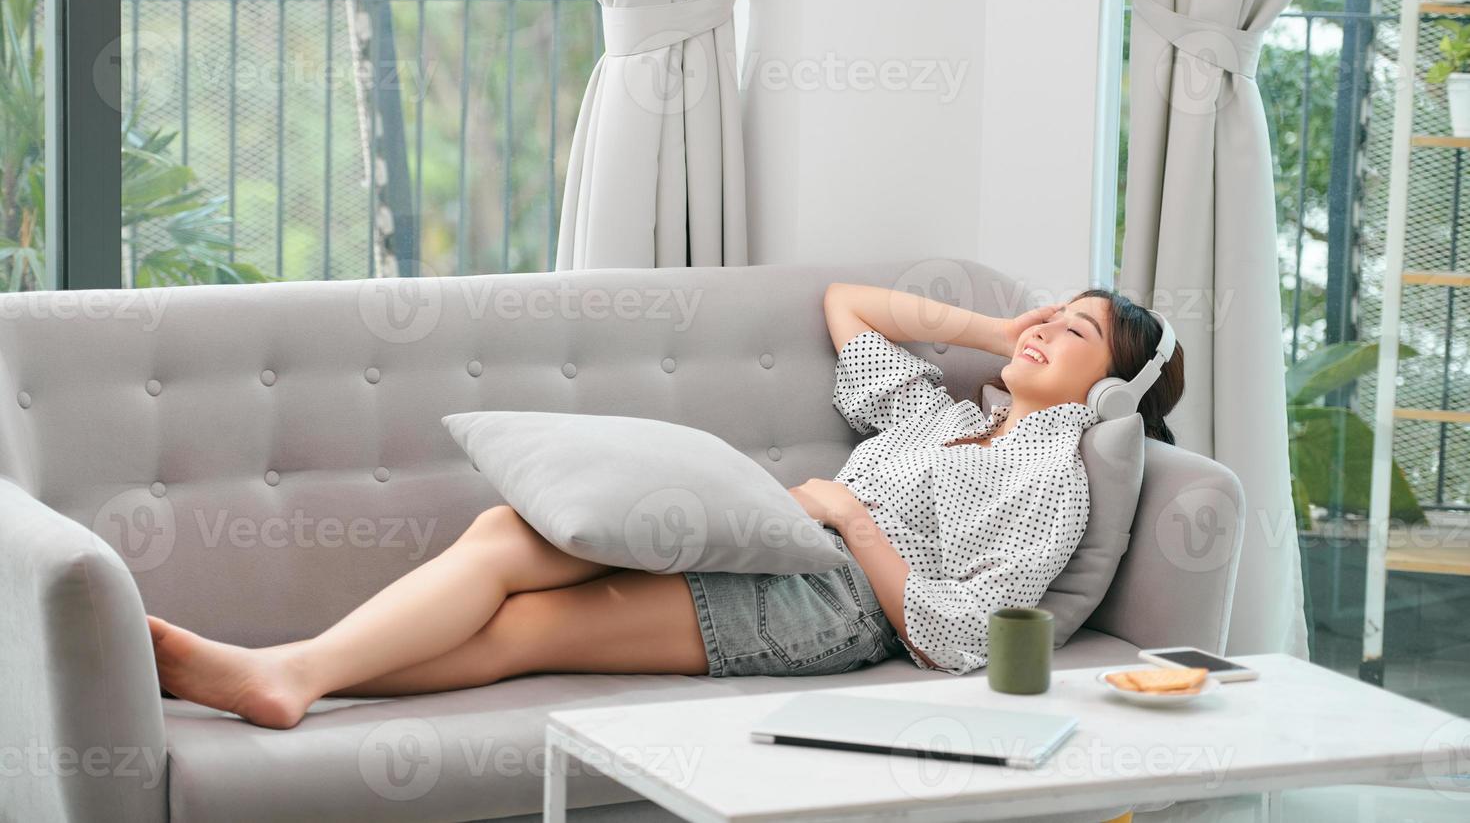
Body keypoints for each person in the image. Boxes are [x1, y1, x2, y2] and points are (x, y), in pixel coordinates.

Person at [146, 281, 1184, 729]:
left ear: (1111, 390)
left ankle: (288, 676)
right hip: (776, 534)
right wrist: (997, 324)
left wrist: (853, 520)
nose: (1047, 329)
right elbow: (847, 306)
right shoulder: (940, 411)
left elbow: (963, 636)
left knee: (535, 623)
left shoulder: (1053, 472)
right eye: (1052, 312)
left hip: (835, 604)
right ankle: (290, 670)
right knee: (509, 528)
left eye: (1076, 333)